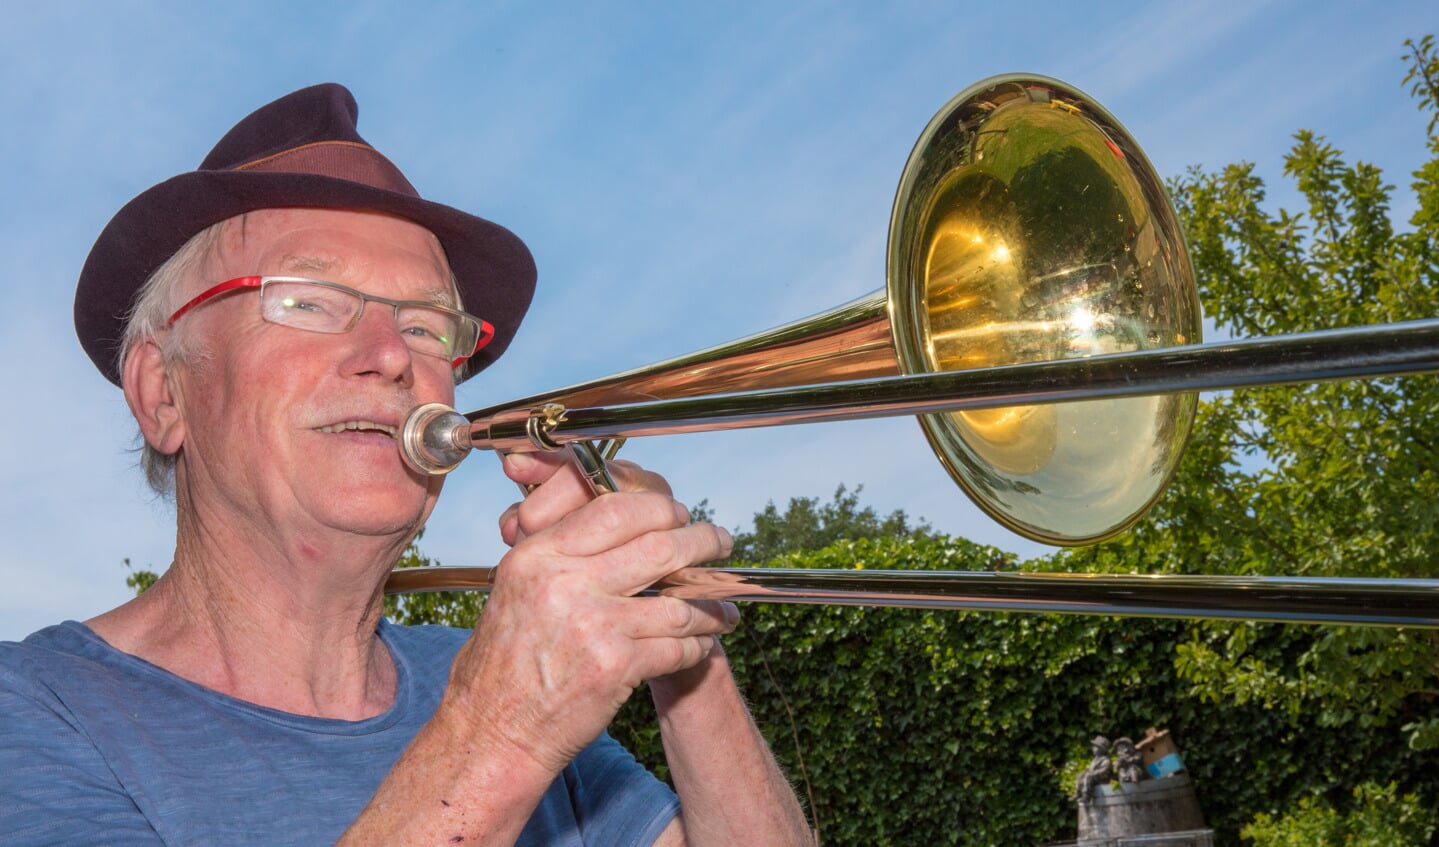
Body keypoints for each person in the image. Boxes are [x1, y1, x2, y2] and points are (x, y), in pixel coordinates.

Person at [0, 84, 812, 845]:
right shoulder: (34, 710)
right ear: (163, 392)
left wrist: (677, 628)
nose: (391, 356)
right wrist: (498, 732)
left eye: (427, 325)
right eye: (307, 302)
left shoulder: (477, 669)